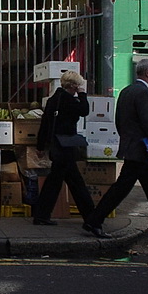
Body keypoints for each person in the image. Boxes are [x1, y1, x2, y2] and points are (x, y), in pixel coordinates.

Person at [83, 59, 148, 242]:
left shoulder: (126, 91)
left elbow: (119, 121)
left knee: (145, 191)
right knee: (138, 191)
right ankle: (94, 220)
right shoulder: (143, 93)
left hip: (133, 149)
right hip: (141, 151)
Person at [32, 70, 95, 225]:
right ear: (73, 85)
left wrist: (40, 146)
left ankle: (41, 215)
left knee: (55, 182)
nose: (80, 86)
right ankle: (92, 218)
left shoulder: (54, 99)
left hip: (56, 146)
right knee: (74, 183)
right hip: (66, 146)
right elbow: (84, 110)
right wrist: (82, 95)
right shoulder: (70, 100)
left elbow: (45, 123)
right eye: (79, 84)